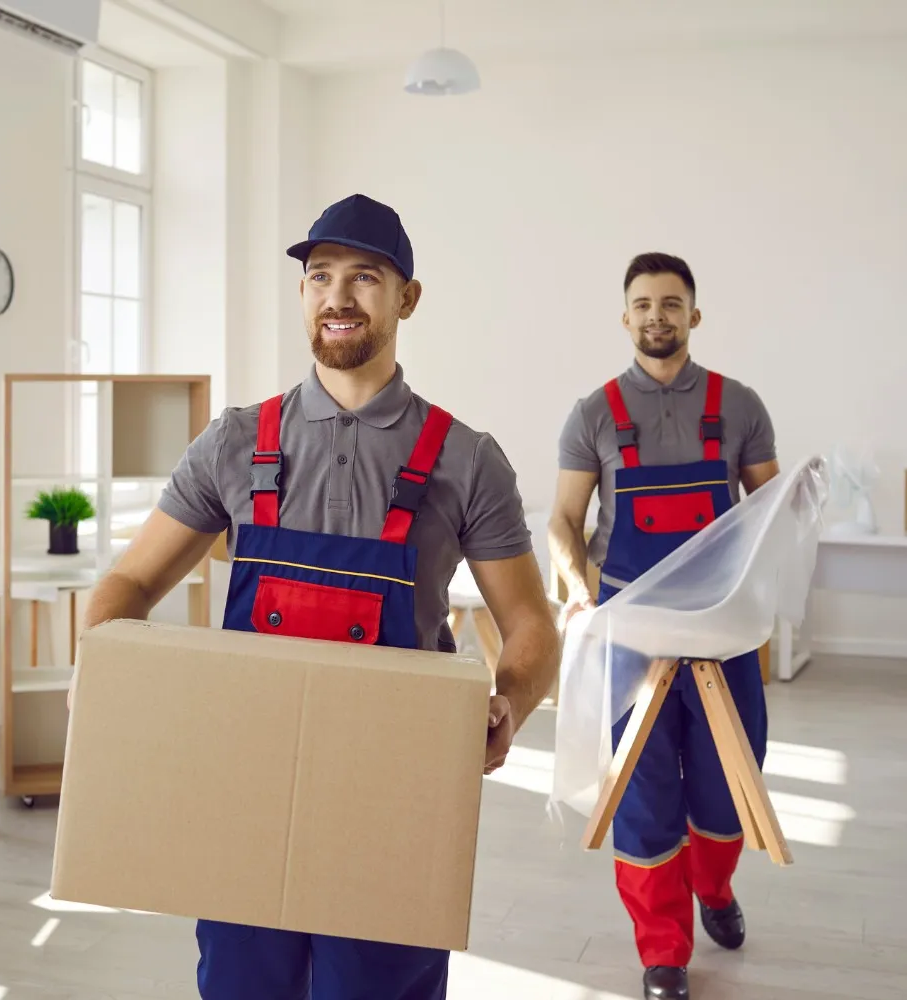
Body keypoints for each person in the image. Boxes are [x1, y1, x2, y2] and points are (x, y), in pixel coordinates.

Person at [72, 193, 561, 1000]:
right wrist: (105, 673)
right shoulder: (235, 442)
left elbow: (531, 625)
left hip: (397, 795)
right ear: (303, 295)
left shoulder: (466, 460)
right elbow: (130, 582)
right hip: (245, 789)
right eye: (321, 276)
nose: (338, 296)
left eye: (364, 278)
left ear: (407, 299)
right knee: (240, 987)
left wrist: (510, 702)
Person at [547, 252, 780, 1000]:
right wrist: (577, 590)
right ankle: (662, 952)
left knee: (724, 788)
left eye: (671, 303)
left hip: (720, 637)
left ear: (694, 315)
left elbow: (768, 513)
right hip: (633, 634)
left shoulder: (739, 406)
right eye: (644, 304)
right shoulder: (593, 415)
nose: (657, 316)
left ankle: (714, 889)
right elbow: (562, 521)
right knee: (646, 795)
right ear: (626, 317)